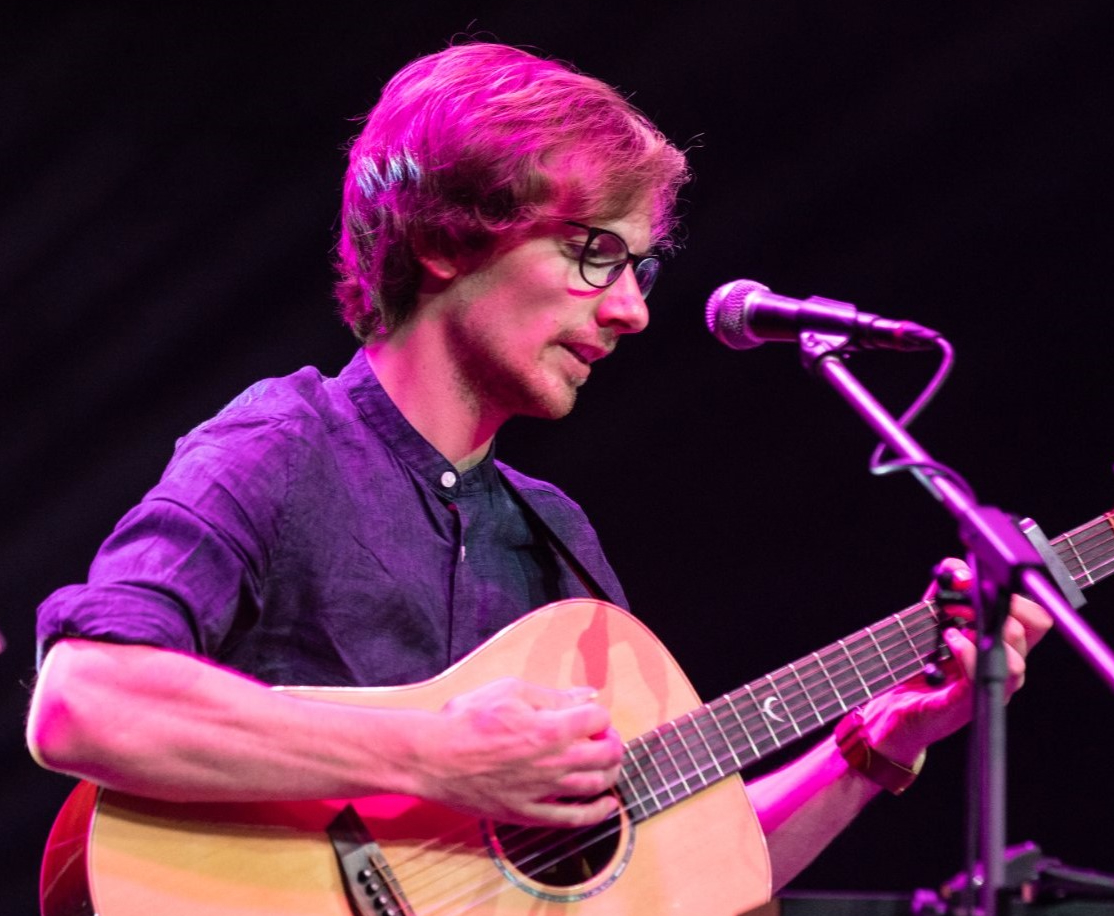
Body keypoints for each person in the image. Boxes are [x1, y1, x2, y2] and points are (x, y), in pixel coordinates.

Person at [25, 40, 1049, 906]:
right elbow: (84, 700)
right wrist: (439, 754)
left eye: (639, 268)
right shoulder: (283, 446)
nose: (632, 310)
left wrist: (874, 745)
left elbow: (678, 880)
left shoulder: (555, 537)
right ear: (441, 237)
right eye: (594, 252)